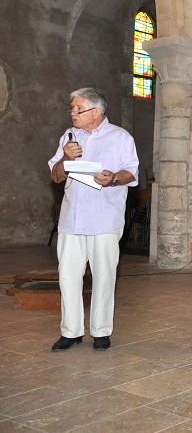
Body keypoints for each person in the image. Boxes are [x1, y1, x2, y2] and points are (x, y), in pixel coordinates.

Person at [48, 88, 139, 352]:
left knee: (103, 276)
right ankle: (71, 331)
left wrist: (113, 178)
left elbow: (131, 173)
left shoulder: (120, 137)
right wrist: (66, 157)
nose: (73, 113)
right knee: (68, 277)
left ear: (96, 112)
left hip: (104, 219)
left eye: (79, 108)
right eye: (72, 108)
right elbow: (56, 176)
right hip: (71, 219)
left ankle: (101, 331)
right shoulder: (68, 137)